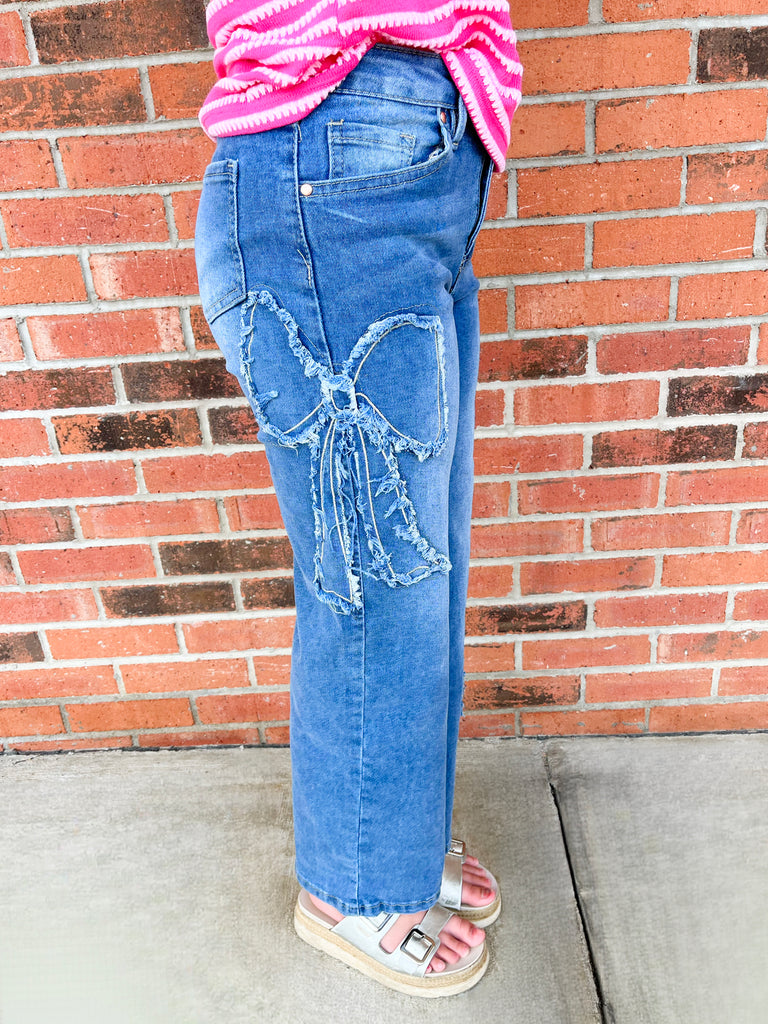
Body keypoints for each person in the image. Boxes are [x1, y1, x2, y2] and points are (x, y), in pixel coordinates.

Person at [194, 0, 522, 997]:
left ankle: (392, 840)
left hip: (415, 153)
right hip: (331, 148)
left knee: (423, 563)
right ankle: (354, 890)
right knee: (375, 586)